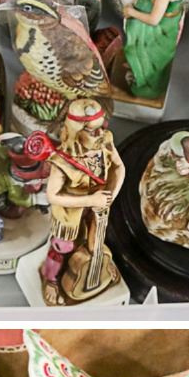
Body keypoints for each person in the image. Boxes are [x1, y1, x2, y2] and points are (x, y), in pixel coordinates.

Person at [39, 97, 126, 305]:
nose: (100, 133)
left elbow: (119, 167)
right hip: (70, 213)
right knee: (63, 246)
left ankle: (98, 266)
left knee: (96, 241)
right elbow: (52, 196)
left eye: (102, 126)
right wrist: (90, 199)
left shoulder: (105, 141)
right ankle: (51, 279)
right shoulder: (62, 161)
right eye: (92, 130)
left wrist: (109, 197)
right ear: (77, 131)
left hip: (97, 207)